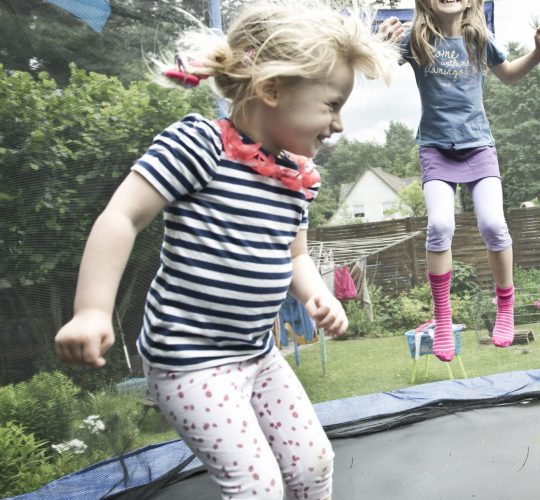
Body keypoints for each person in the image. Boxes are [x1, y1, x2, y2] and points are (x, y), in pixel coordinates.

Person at [53, 2, 397, 498]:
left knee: (313, 462)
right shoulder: (199, 147)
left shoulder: (296, 180)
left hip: (258, 354)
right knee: (256, 485)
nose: (338, 123)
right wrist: (90, 311)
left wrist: (316, 294)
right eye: (332, 104)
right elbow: (122, 216)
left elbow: (295, 254)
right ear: (272, 89)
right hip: (189, 362)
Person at [378, 0, 540, 361]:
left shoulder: (479, 39)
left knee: (493, 224)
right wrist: (379, 43)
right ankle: (443, 318)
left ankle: (506, 304)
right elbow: (373, 70)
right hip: (435, 148)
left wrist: (538, 52)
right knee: (440, 226)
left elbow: (508, 74)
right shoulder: (417, 39)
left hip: (478, 146)